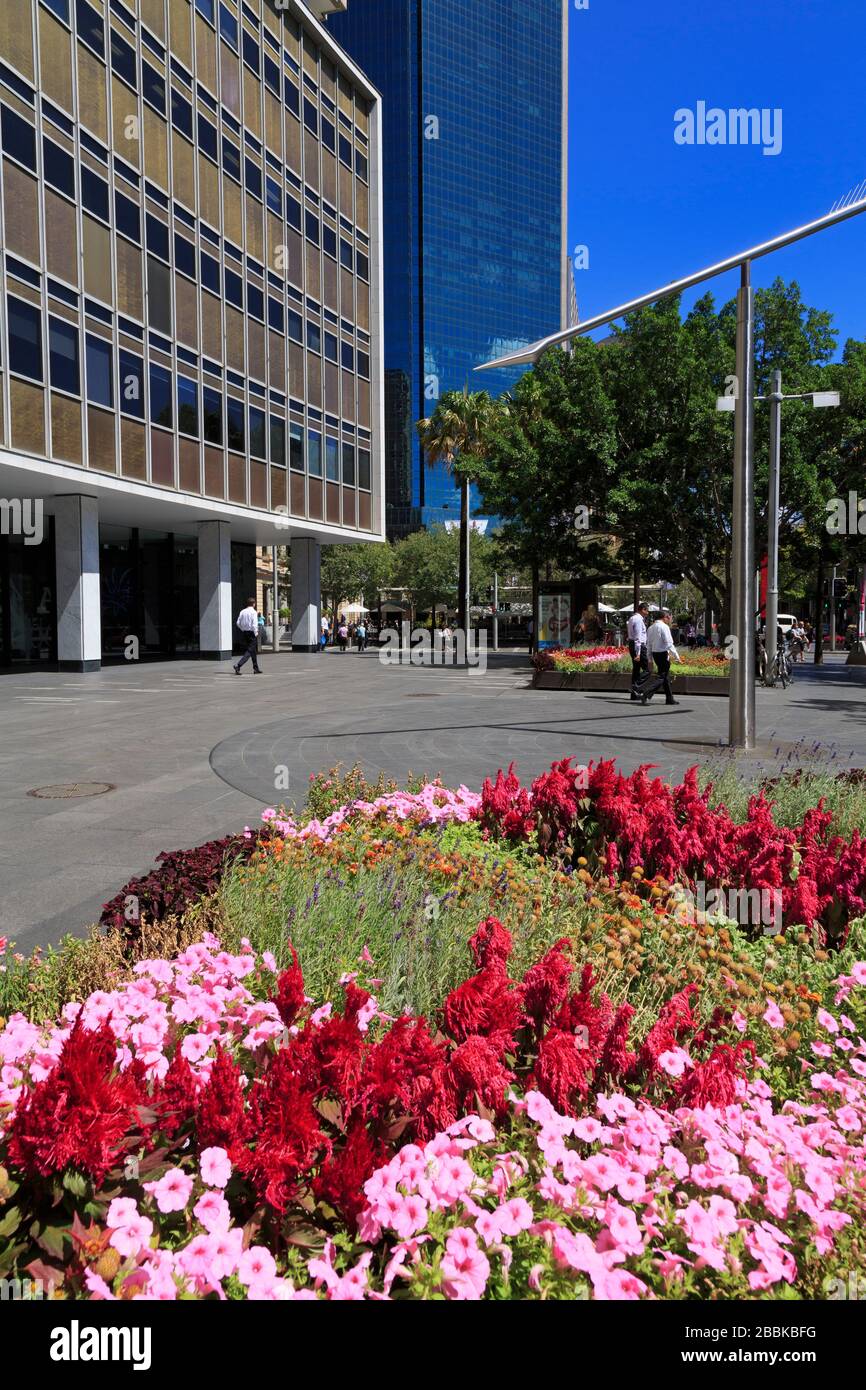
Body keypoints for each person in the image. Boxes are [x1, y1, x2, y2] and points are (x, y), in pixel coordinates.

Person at [641, 608, 683, 706]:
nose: (670, 619)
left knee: (665, 677)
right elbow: (669, 643)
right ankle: (646, 693)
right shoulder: (664, 627)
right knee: (662, 676)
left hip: (655, 654)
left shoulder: (651, 628)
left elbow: (649, 645)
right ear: (665, 617)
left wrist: (650, 659)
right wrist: (677, 657)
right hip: (663, 653)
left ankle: (669, 698)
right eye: (669, 617)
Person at [627, 602, 650, 701]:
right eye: (647, 610)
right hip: (639, 646)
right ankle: (636, 687)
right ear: (643, 609)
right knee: (647, 669)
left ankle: (634, 694)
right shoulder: (638, 620)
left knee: (636, 669)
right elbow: (638, 638)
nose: (648, 613)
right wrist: (638, 653)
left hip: (633, 645)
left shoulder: (632, 618)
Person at [234, 597, 262, 674]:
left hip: (245, 633)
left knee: (253, 650)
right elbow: (254, 624)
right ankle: (238, 665)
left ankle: (256, 668)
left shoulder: (242, 611)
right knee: (250, 650)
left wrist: (243, 629)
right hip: (252, 633)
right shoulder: (253, 612)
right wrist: (256, 633)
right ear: (254, 604)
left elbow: (238, 623)